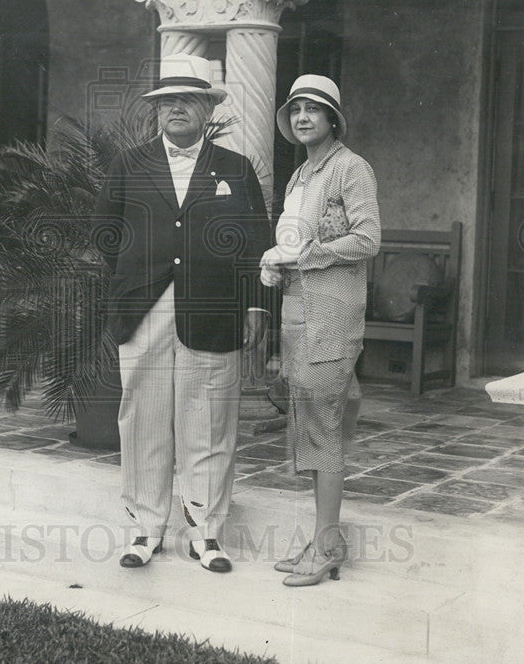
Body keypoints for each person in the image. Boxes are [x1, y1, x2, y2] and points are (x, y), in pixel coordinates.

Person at [93, 53, 271, 573]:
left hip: (213, 311)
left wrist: (256, 304)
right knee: (144, 418)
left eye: (187, 100)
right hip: (144, 308)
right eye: (167, 101)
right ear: (156, 111)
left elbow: (255, 242)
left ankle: (206, 535)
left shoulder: (234, 169)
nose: (176, 109)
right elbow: (105, 232)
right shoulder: (130, 163)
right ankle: (145, 529)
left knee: (209, 420)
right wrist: (133, 277)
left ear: (206, 109)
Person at [259, 74, 380, 587]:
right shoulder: (299, 177)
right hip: (297, 313)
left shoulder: (351, 169)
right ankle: (322, 538)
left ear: (333, 118)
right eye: (296, 110)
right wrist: (278, 265)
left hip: (332, 315)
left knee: (325, 424)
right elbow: (294, 245)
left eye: (314, 109)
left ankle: (328, 546)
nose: (304, 117)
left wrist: (310, 256)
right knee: (308, 422)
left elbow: (369, 238)